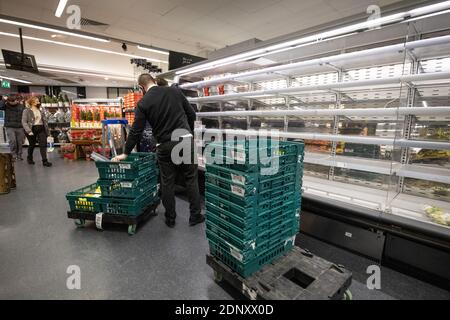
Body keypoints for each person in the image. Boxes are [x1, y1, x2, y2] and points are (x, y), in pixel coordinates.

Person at [112, 74, 204, 228]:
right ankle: (195, 215)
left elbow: (136, 131)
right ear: (154, 81)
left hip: (164, 144)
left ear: (142, 88)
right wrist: (189, 134)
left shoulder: (143, 103)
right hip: (185, 140)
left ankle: (170, 218)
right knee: (191, 179)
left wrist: (125, 152)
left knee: (167, 182)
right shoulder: (174, 91)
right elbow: (192, 114)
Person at [22, 96, 52, 167]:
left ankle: (45, 161)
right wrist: (29, 131)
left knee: (43, 144)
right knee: (32, 144)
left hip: (41, 128)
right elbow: (24, 122)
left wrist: (48, 132)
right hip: (32, 129)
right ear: (32, 102)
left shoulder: (40, 110)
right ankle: (29, 158)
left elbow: (44, 122)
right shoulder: (26, 111)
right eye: (37, 101)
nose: (38, 102)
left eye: (38, 101)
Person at [0, 95, 26, 161]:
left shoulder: (21, 106)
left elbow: (25, 115)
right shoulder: (6, 105)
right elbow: (0, 106)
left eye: (14, 101)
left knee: (19, 142)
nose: (12, 103)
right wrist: (4, 100)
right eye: (11, 101)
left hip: (20, 126)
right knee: (12, 141)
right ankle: (13, 155)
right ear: (8, 101)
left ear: (17, 100)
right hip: (9, 126)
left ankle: (19, 155)